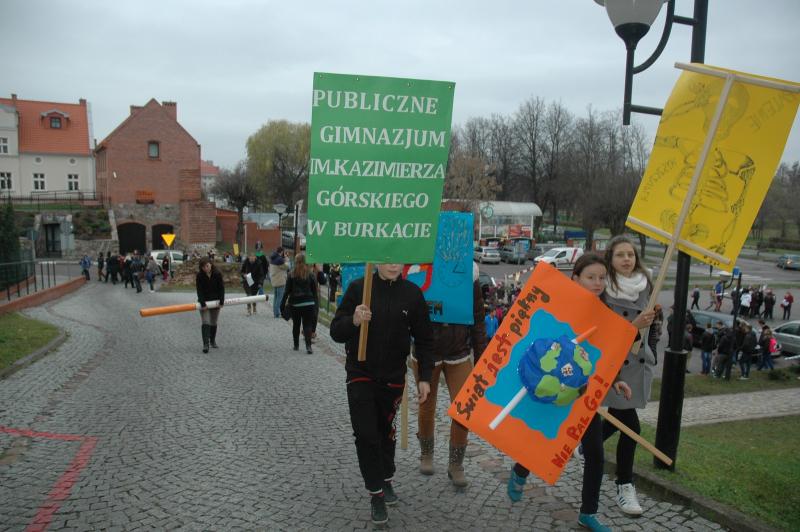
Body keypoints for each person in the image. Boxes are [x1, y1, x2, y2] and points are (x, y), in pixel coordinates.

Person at [506, 253, 633, 532]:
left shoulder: (605, 314)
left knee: (595, 453)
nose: (598, 283)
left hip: (582, 392)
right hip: (551, 385)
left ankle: (588, 513)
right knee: (544, 435)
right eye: (591, 277)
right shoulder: (560, 304)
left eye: (602, 278)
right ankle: (520, 470)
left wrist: (616, 380)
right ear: (575, 278)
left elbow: (605, 355)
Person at [329, 263, 433, 526]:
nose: (393, 264)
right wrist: (353, 320)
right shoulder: (359, 289)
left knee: (386, 432)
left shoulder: (412, 294)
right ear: (376, 260)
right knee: (366, 435)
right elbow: (336, 331)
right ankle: (375, 493)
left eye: (397, 259)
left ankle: (386, 477)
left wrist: (425, 378)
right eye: (387, 259)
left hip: (393, 377)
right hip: (360, 373)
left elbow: (424, 339)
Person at [410, 262, 486, 488]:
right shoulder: (419, 267)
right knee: (426, 405)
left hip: (458, 351)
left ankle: (456, 464)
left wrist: (482, 358)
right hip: (426, 351)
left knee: (464, 409)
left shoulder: (468, 271)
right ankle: (426, 453)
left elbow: (477, 316)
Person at [601, 236, 656, 516]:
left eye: (631, 254)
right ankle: (625, 485)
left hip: (637, 364)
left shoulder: (646, 284)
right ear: (610, 259)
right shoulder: (603, 289)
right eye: (620, 255)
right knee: (631, 427)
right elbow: (603, 334)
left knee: (619, 418)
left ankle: (585, 443)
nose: (626, 259)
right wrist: (633, 326)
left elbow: (654, 326)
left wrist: (651, 344)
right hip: (615, 368)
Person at [279, 253, 318, 353]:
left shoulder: (291, 274)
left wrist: (282, 306)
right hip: (309, 303)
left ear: (295, 261)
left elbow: (286, 292)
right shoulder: (310, 274)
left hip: (295, 304)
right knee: (307, 325)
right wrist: (315, 306)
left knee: (296, 325)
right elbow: (314, 293)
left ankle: (296, 345)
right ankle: (308, 346)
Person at [195, 257, 225, 353]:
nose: (206, 268)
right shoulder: (199, 276)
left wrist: (221, 301)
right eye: (203, 267)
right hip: (204, 302)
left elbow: (221, 288)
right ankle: (206, 344)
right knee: (205, 321)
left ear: (211, 264)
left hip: (215, 302)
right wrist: (202, 303)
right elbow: (199, 290)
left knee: (213, 322)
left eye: (207, 266)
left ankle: (212, 341)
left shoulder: (217, 274)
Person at [269, 247, 289, 318]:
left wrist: (284, 259)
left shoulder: (273, 258)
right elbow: (287, 267)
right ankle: (277, 313)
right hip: (280, 281)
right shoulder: (280, 260)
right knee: (279, 298)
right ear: (282, 252)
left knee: (276, 297)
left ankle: (275, 312)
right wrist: (287, 260)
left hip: (274, 280)